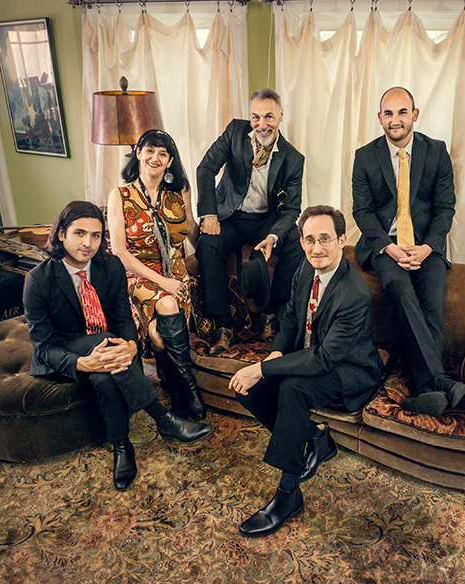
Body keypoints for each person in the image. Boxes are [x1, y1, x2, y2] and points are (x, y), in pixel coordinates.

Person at [23, 201, 213, 492]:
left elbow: (124, 318)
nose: (88, 243)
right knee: (102, 344)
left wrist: (131, 347)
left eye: (96, 235)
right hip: (66, 354)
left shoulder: (109, 266)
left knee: (103, 375)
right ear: (61, 234)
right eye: (79, 233)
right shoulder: (38, 280)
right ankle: (164, 419)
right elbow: (44, 347)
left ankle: (122, 448)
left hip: (111, 350)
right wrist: (83, 362)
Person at [230, 205, 383, 538]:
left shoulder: (354, 292)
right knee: (247, 388)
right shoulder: (305, 269)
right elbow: (290, 320)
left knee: (291, 389)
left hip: (351, 369)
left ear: (342, 240)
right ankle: (316, 438)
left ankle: (288, 496)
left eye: (325, 239)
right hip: (310, 356)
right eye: (310, 240)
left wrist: (263, 367)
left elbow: (326, 358)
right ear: (301, 242)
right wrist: (275, 352)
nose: (317, 248)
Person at [351, 86, 465, 418]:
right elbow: (363, 212)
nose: (395, 120)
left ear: (414, 114)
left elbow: (445, 207)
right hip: (384, 246)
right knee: (400, 287)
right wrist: (390, 248)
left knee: (432, 299)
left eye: (402, 112)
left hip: (426, 246)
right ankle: (438, 380)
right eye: (388, 113)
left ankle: (424, 390)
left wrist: (427, 247)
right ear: (380, 118)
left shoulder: (436, 152)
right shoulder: (365, 156)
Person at [106, 129, 207, 422]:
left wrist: (211, 257)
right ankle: (190, 390)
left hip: (176, 276)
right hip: (139, 276)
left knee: (159, 335)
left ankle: (175, 391)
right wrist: (163, 282)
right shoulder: (120, 196)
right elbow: (120, 252)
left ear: (170, 160)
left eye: (163, 153)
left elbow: (191, 231)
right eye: (150, 150)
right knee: (167, 304)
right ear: (138, 153)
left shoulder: (178, 194)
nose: (155, 158)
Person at [196, 88, 306, 355]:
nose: (261, 124)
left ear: (281, 115)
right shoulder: (235, 132)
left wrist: (273, 236)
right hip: (230, 216)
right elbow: (206, 168)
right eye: (255, 117)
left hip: (265, 221)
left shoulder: (293, 158)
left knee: (296, 244)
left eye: (269, 116)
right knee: (206, 246)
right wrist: (209, 214)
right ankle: (223, 326)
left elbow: (292, 209)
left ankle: (271, 312)